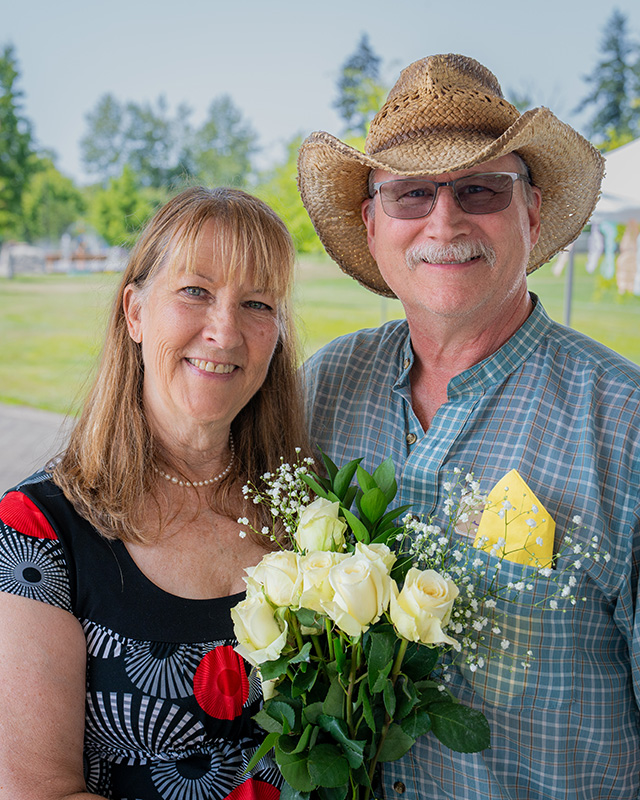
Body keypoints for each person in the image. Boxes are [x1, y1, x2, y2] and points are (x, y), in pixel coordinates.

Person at [298, 54, 640, 799]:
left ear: (534, 214)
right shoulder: (323, 388)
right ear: (371, 223)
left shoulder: (626, 424)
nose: (444, 220)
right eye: (411, 194)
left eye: (480, 189)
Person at [0, 186, 307, 800]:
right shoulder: (39, 530)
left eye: (256, 303)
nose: (224, 331)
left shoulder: (308, 513)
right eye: (195, 291)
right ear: (135, 312)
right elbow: (39, 790)